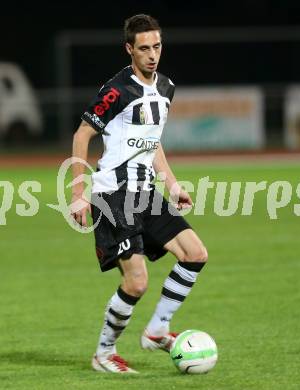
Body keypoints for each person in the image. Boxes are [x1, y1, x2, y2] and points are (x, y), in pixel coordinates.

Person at [71, 14, 208, 374]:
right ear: (129, 49)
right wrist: (78, 191)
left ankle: (157, 330)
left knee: (195, 253)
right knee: (136, 281)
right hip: (113, 194)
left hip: (146, 192)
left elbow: (153, 142)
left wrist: (173, 184)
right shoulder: (117, 89)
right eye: (144, 48)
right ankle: (103, 353)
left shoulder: (166, 87)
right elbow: (82, 134)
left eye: (157, 47)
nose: (152, 55)